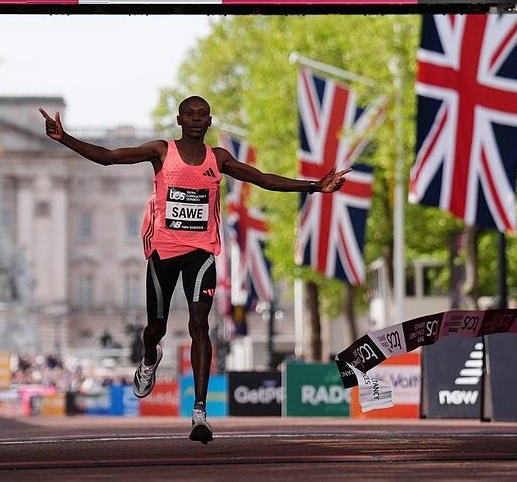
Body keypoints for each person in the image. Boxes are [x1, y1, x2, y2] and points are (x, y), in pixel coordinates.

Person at [39, 96, 350, 443]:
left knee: (199, 323)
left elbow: (261, 178)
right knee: (154, 328)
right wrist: (64, 138)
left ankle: (199, 410)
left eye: (203, 115)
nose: (197, 120)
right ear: (179, 119)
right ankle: (149, 357)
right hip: (163, 254)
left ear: (210, 121)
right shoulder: (161, 151)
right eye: (190, 115)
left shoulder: (218, 159)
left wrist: (314, 187)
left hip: (201, 253)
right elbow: (110, 158)